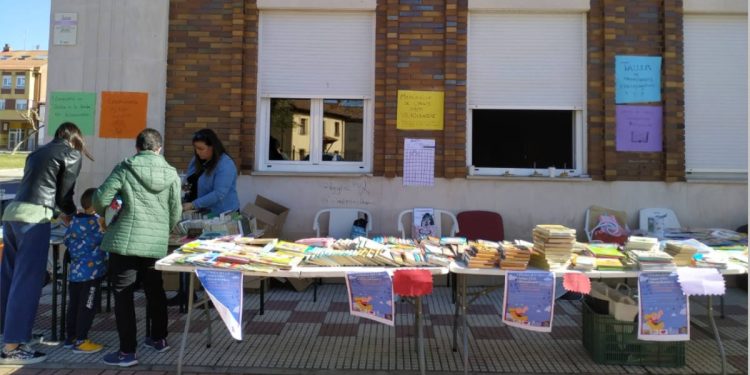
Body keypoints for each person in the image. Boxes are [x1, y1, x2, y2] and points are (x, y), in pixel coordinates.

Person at [0, 122, 90, 364]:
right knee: (27, 281)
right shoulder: (71, 154)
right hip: (34, 217)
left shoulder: (37, 151)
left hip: (11, 214)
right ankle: (12, 347)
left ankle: (8, 335)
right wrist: (71, 214)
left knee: (8, 278)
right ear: (75, 139)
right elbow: (65, 195)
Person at [94, 128, 181, 367]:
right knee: (155, 290)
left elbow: (100, 199)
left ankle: (127, 353)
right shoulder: (172, 174)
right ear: (159, 148)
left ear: (137, 148)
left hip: (124, 241)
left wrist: (107, 214)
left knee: (124, 295)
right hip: (154, 243)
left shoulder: (124, 167)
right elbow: (176, 211)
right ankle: (159, 339)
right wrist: (163, 229)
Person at [63, 188, 106, 354]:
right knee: (88, 306)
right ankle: (81, 340)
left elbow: (67, 239)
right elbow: (104, 239)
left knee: (73, 305)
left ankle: (71, 337)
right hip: (92, 272)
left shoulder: (74, 220)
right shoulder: (97, 222)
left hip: (75, 272)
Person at [182, 129, 240, 215]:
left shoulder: (226, 164)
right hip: (199, 211)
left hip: (222, 214)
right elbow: (189, 179)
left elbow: (219, 193)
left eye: (201, 149)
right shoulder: (196, 160)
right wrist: (184, 194)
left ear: (212, 147)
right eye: (196, 148)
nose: (197, 152)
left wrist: (193, 205)